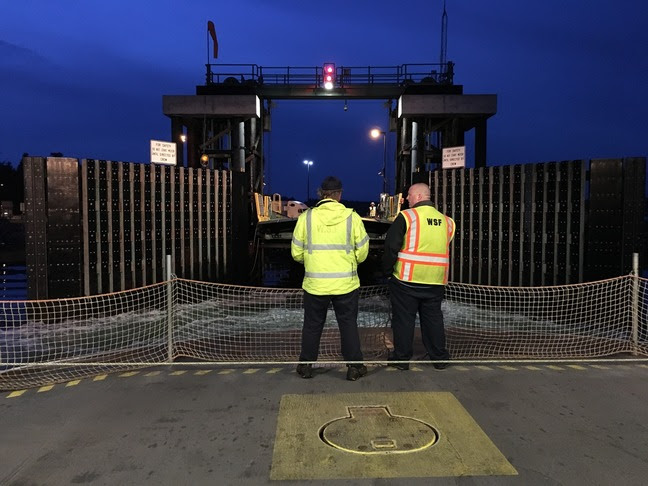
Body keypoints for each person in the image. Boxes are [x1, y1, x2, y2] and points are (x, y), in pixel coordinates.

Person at [291, 176, 370, 381]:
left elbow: (296, 253)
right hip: (346, 284)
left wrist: (312, 262)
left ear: (321, 194)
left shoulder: (306, 218)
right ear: (339, 194)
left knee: (312, 325)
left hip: (315, 284)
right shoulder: (352, 218)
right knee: (348, 325)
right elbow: (362, 252)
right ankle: (354, 368)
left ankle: (306, 366)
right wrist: (350, 261)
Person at [382, 182, 455, 370]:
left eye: (409, 195)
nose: (406, 198)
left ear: (420, 196)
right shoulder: (447, 222)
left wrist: (386, 273)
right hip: (435, 281)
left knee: (404, 321)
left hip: (407, 280)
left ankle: (402, 359)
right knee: (433, 320)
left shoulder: (407, 217)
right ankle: (439, 357)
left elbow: (391, 247)